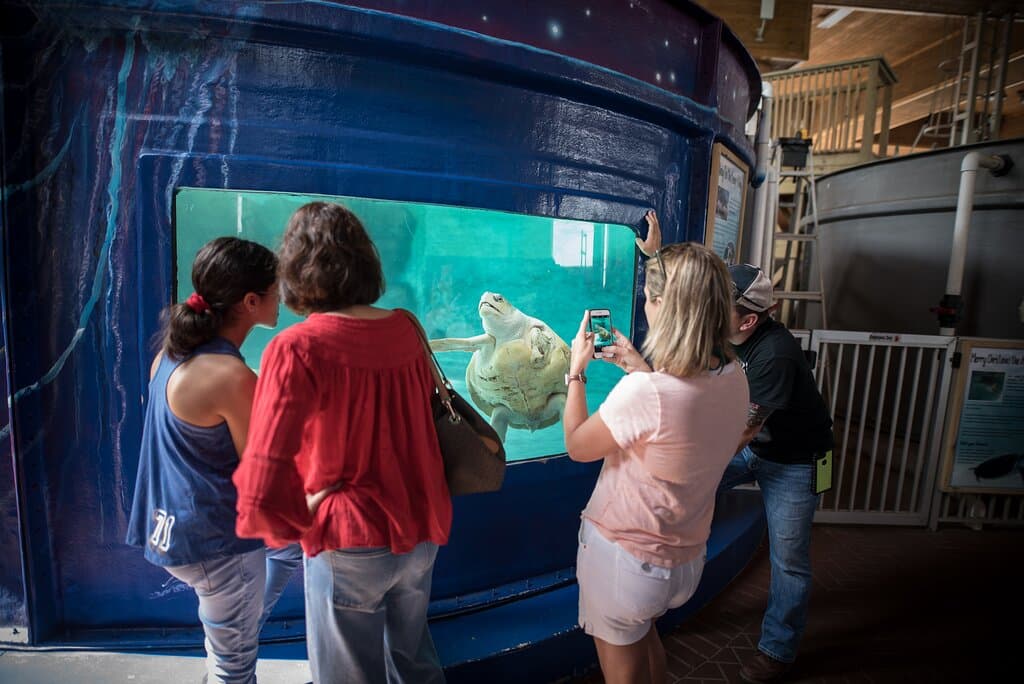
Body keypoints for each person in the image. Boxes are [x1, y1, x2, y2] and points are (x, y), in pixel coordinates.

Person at [232, 201, 452, 684]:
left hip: (350, 540)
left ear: (294, 268)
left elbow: (264, 474)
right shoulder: (406, 327)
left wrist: (299, 515)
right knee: (414, 663)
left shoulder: (296, 348)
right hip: (419, 531)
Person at [563, 238, 749, 684]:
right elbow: (676, 424)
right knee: (646, 639)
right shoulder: (734, 376)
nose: (645, 307)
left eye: (648, 298)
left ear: (665, 304)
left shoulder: (648, 394)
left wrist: (576, 371)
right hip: (682, 560)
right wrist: (639, 367)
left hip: (627, 558)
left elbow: (577, 445)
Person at [126, 237, 280, 684]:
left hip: (173, 532)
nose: (282, 297)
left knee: (224, 648)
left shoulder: (169, 355)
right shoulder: (232, 376)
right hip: (219, 546)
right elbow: (263, 470)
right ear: (251, 302)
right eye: (276, 288)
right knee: (234, 670)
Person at [721, 264, 835, 684]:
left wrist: (692, 460)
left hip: (797, 462)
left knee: (789, 561)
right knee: (682, 485)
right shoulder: (733, 331)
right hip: (757, 444)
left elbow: (741, 432)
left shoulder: (775, 354)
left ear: (748, 319)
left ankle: (777, 650)